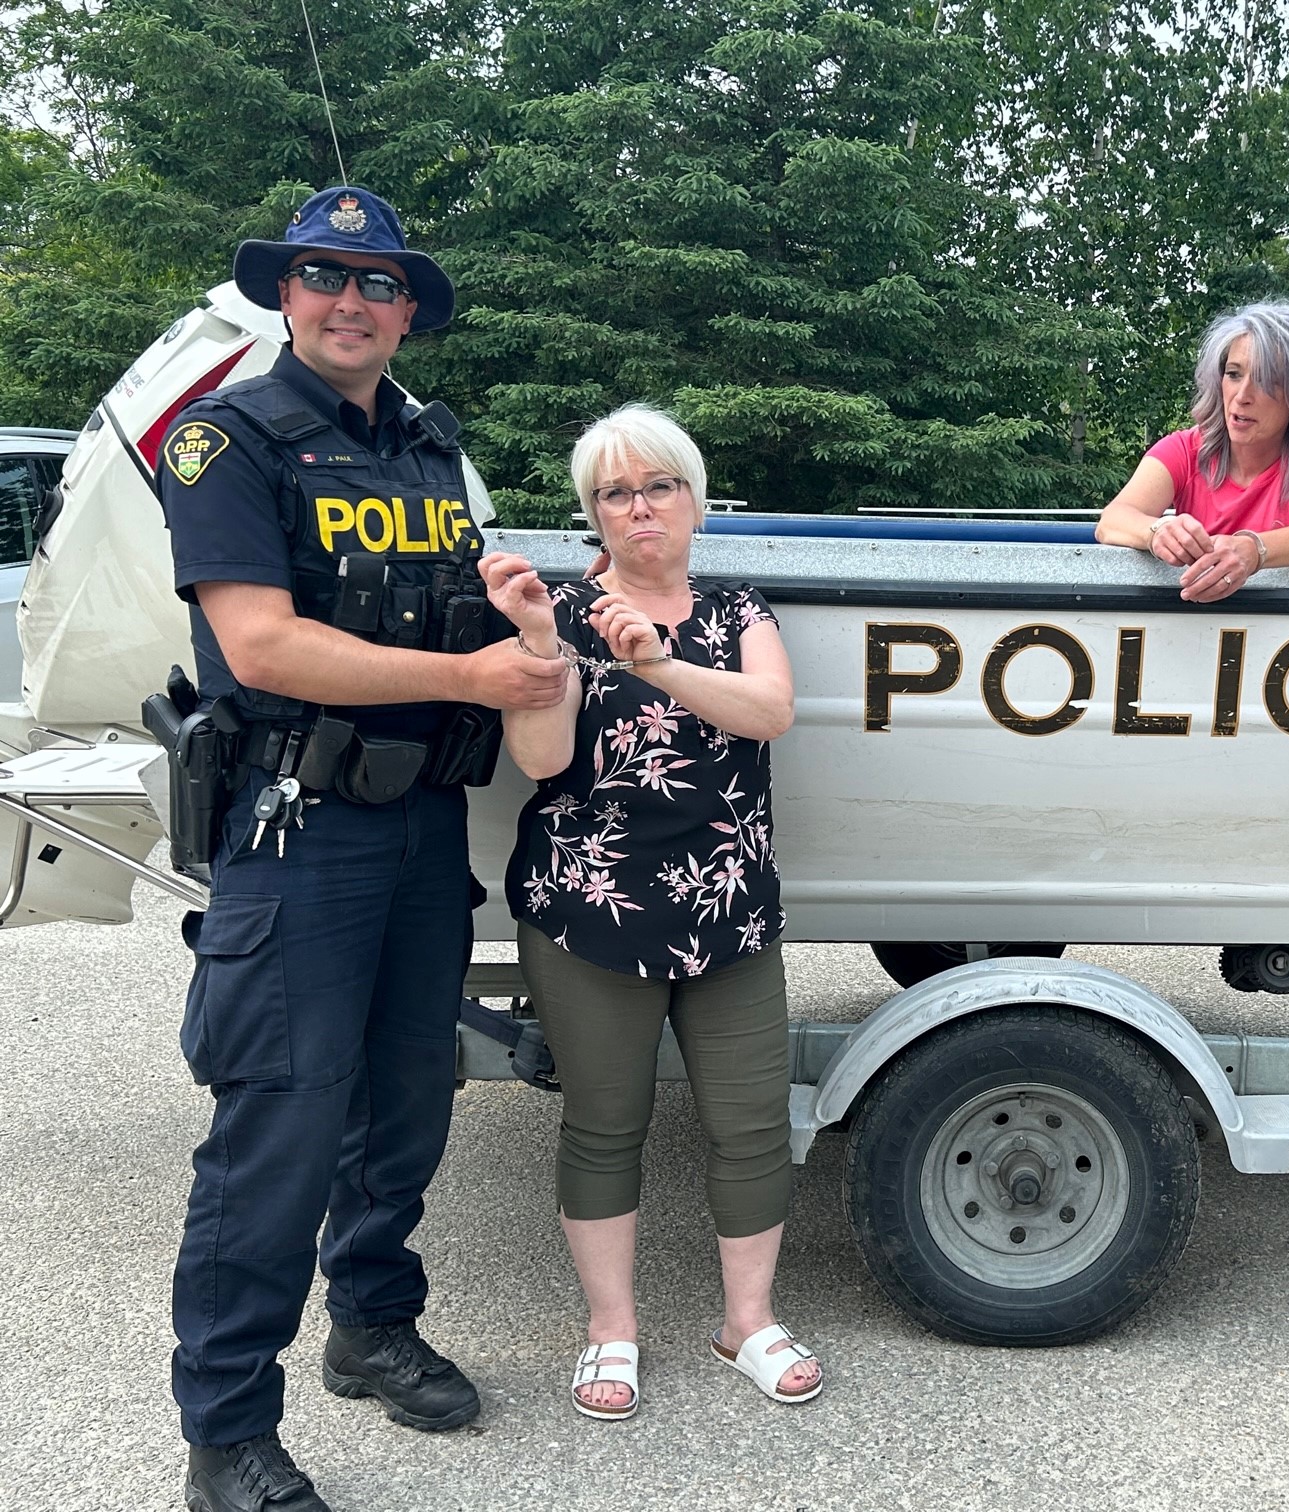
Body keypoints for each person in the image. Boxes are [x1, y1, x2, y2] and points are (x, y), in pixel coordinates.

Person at [160, 185, 572, 1512]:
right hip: (300, 830)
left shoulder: (425, 446)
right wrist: (468, 680)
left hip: (420, 827)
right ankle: (225, 1434)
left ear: (407, 312)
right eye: (326, 277)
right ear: (286, 294)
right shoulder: (231, 440)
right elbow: (262, 644)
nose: (351, 302)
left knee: (407, 1102)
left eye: (378, 283)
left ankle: (373, 1325)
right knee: (279, 1128)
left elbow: (439, 600)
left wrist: (508, 613)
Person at [477, 403, 819, 1423]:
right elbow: (539, 763)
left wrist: (657, 664)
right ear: (593, 513)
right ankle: (610, 1333)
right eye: (615, 494)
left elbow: (771, 714)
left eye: (659, 486)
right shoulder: (557, 616)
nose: (640, 509)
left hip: (729, 913)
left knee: (752, 1127)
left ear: (694, 501)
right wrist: (546, 641)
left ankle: (746, 1324)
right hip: (589, 912)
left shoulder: (739, 611)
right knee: (604, 1124)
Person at [1095, 299, 1289, 600]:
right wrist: (1158, 531)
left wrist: (1254, 550)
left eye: (1267, 381)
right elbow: (1112, 521)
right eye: (1233, 374)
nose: (1242, 396)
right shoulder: (1185, 447)